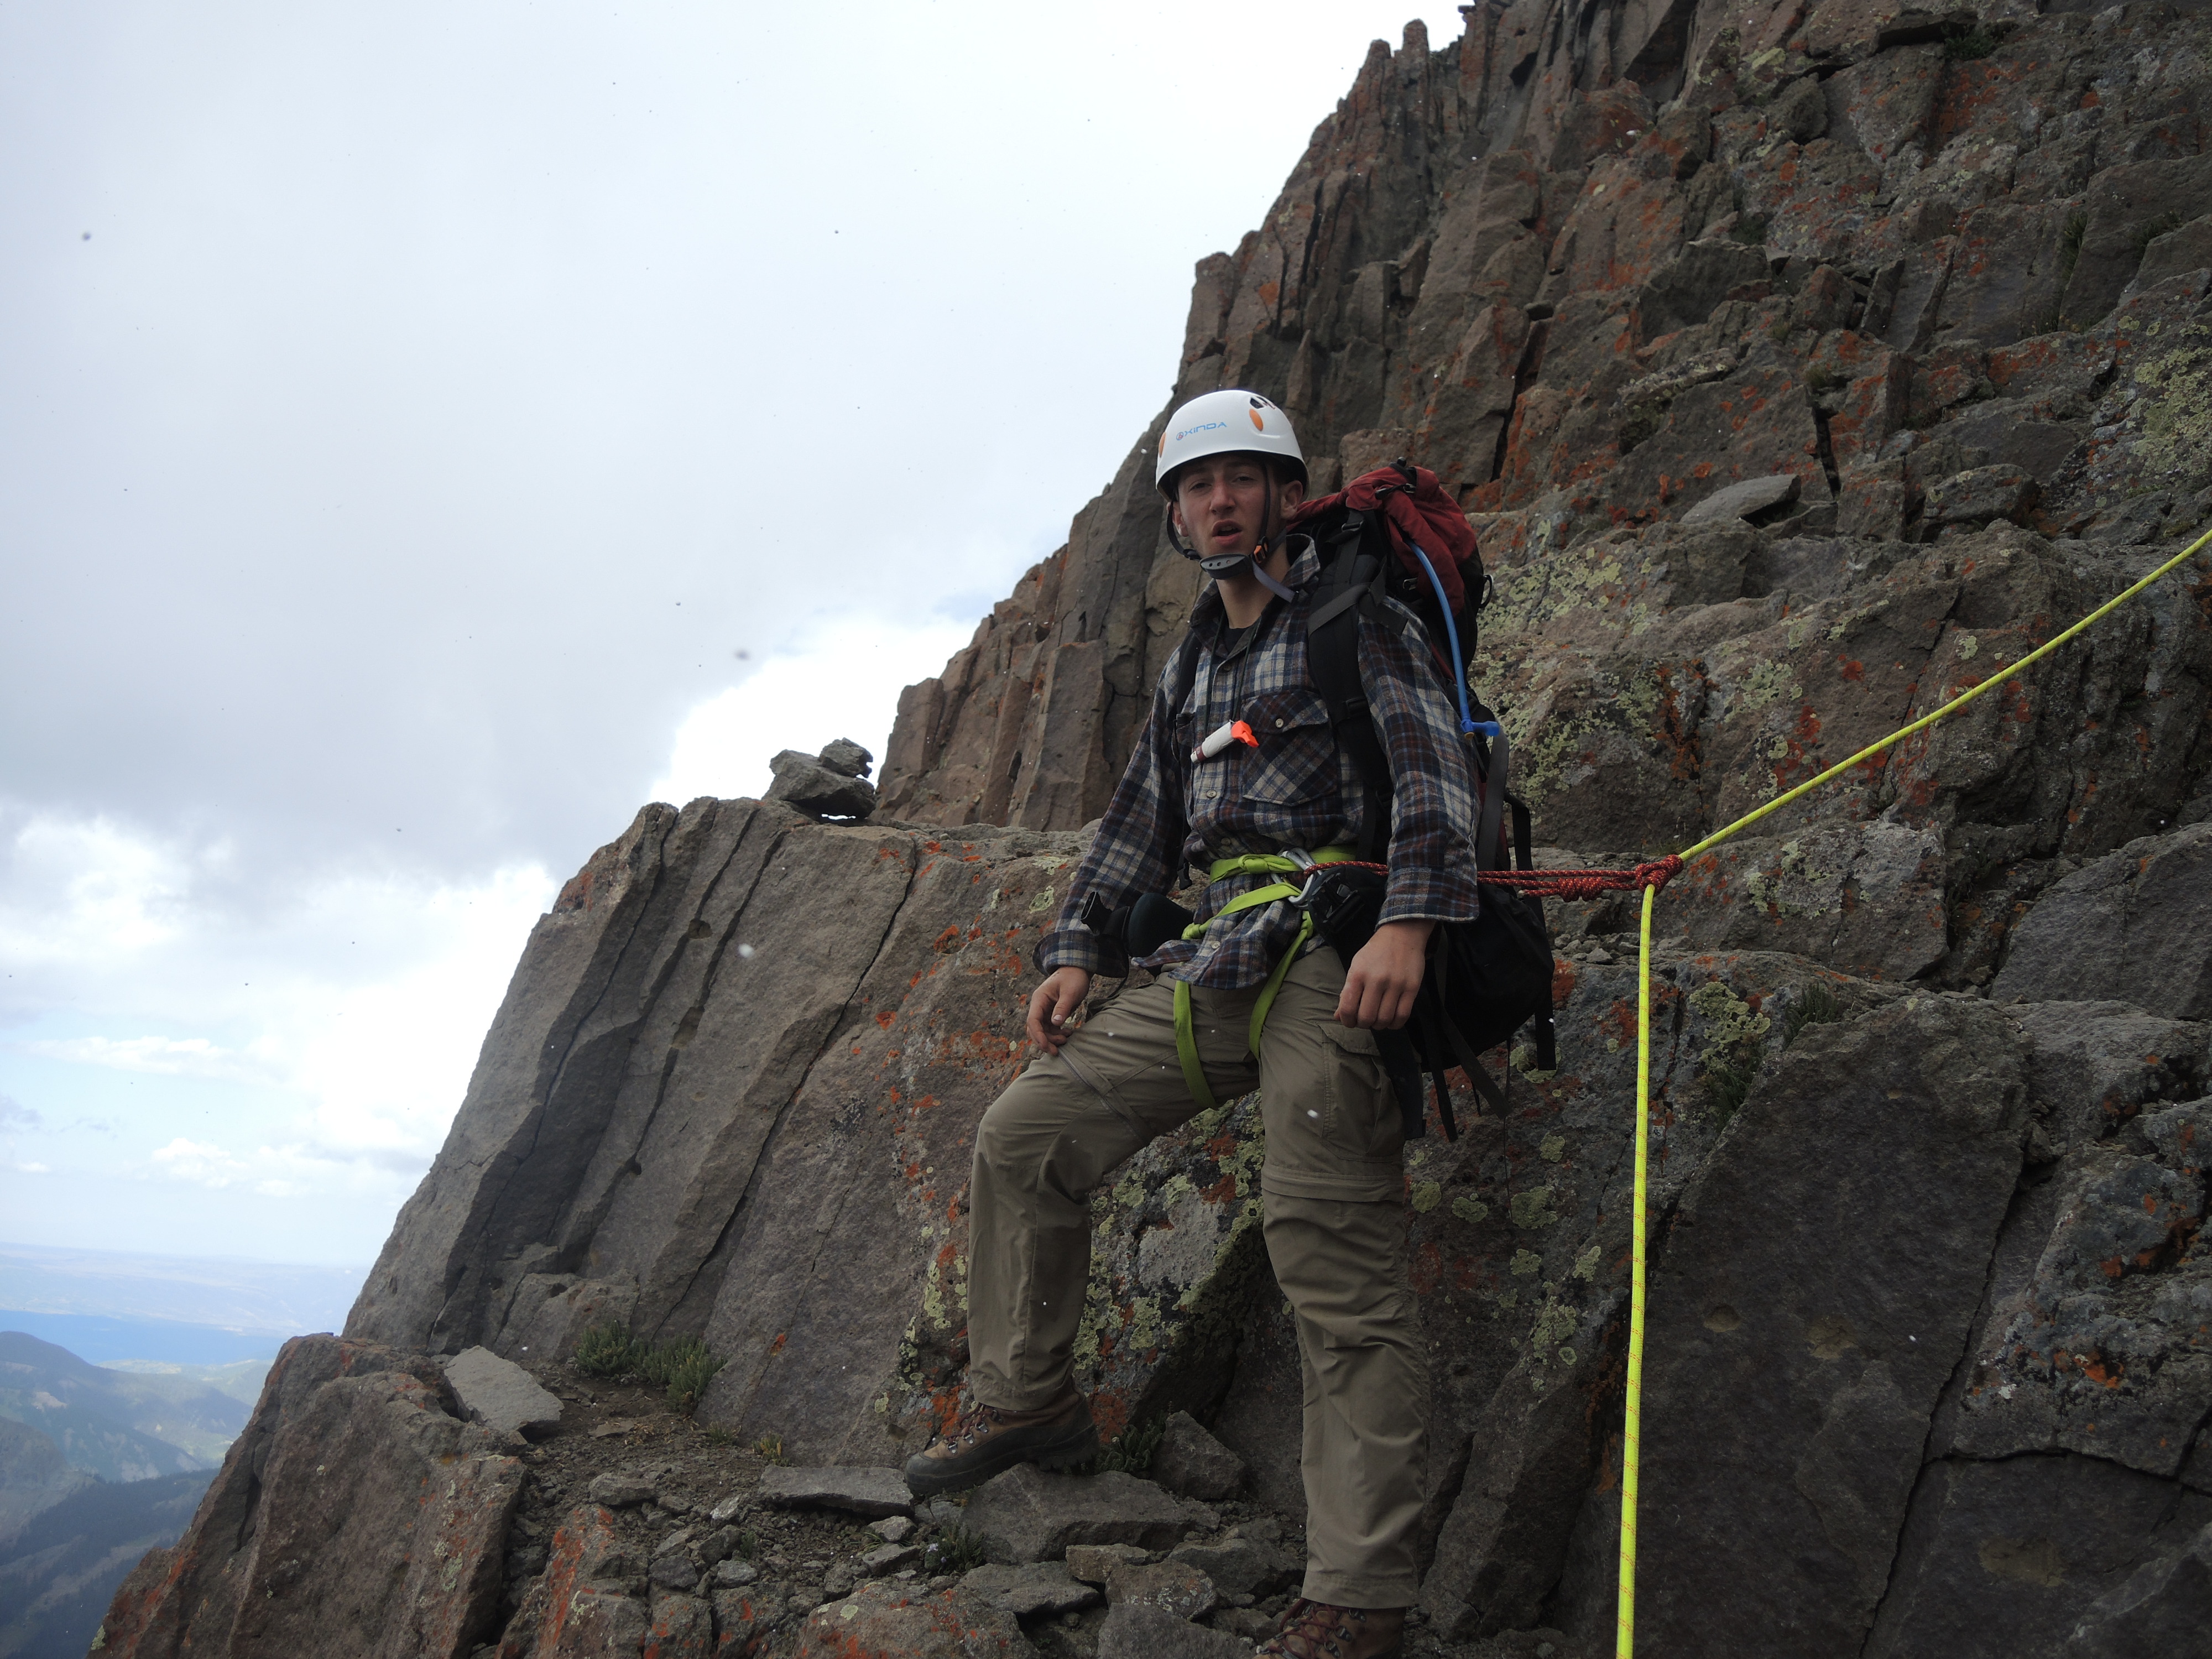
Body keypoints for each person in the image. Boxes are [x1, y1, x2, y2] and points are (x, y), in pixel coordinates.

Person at [903, 389, 1483, 1659]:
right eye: (1195, 485)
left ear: (1285, 494)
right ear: (1175, 515)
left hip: (1332, 953)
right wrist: (1075, 947)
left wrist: (1408, 924)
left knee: (1327, 1249)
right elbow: (1136, 825)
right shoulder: (1194, 665)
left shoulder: (1354, 620)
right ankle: (1030, 1404)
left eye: (1240, 478)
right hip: (1213, 958)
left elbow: (1435, 771)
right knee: (1025, 1133)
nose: (1218, 501)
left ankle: (1358, 1595)